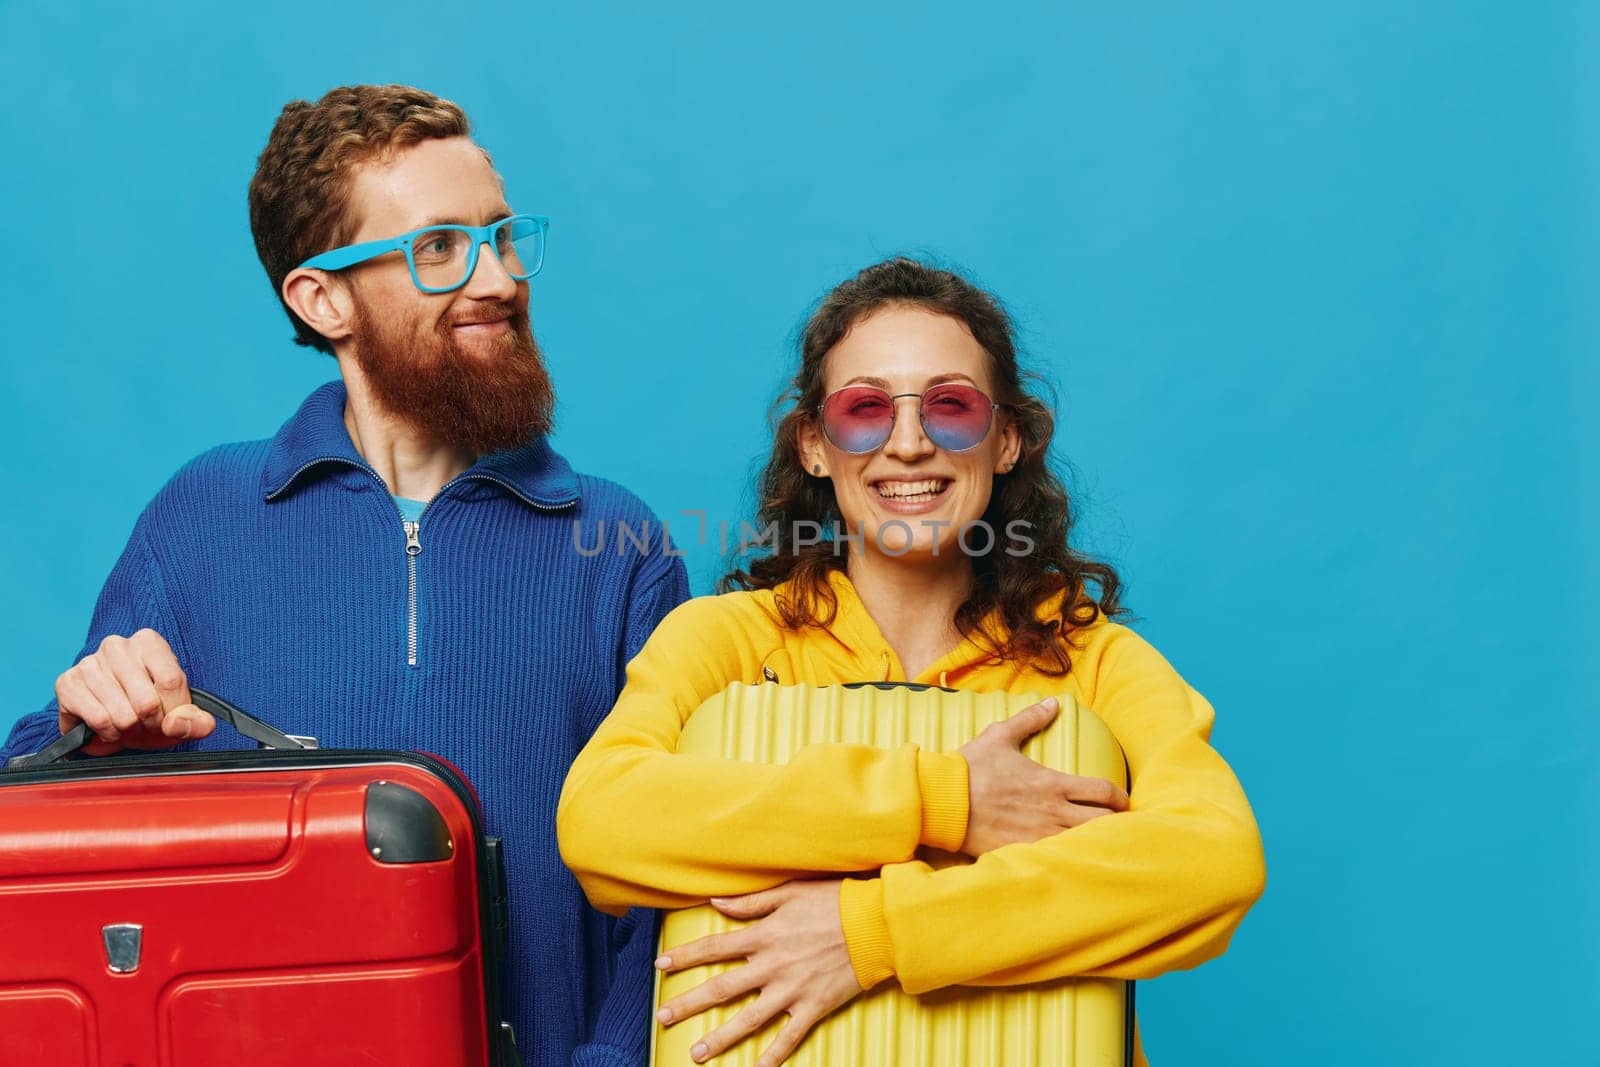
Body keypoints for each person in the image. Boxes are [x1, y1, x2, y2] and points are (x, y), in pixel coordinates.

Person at [0, 84, 687, 1067]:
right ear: (322, 299)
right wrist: (92, 725)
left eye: (501, 234)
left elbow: (681, 866)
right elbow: (34, 807)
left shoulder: (618, 542)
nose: (496, 275)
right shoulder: (200, 517)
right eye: (440, 247)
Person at [556, 257, 1266, 1066]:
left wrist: (874, 933)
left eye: (950, 407)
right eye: (864, 410)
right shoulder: (724, 642)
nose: (907, 443)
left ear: (1005, 440)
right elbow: (601, 821)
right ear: (814, 447)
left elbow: (1213, 860)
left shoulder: (1095, 660)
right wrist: (945, 802)